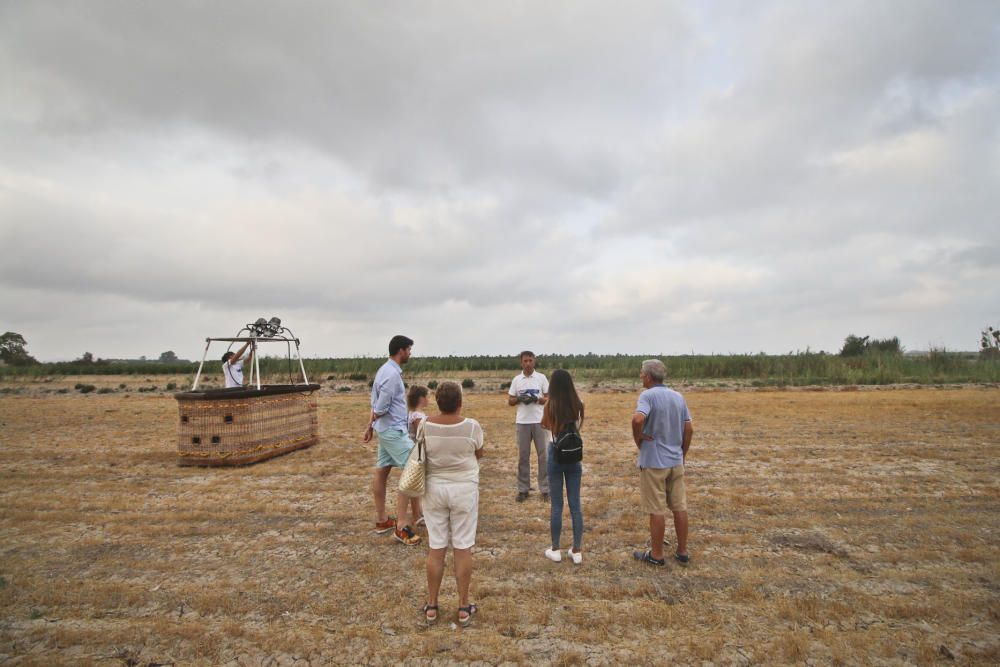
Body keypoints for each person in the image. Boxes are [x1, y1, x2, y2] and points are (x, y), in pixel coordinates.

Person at [420, 381, 485, 627]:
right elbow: (478, 453)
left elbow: (420, 454)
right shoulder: (472, 426)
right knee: (462, 546)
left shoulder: (425, 425)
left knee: (437, 546)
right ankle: (463, 606)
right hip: (464, 489)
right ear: (460, 402)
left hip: (434, 489)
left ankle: (432, 605)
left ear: (437, 401)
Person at [631, 359, 693, 566]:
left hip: (654, 462)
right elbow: (689, 429)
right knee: (679, 507)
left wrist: (638, 439)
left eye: (642, 373)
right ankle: (682, 551)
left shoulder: (647, 396)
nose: (641, 376)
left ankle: (656, 555)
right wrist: (682, 454)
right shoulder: (678, 396)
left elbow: (637, 420)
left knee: (656, 509)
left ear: (648, 376)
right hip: (675, 460)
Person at [363, 335, 421, 546]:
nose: (410, 354)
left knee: (382, 471)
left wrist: (370, 426)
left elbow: (375, 404)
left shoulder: (383, 371)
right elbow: (381, 407)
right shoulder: (391, 375)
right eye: (409, 350)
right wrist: (371, 424)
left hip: (385, 430)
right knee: (413, 470)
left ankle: (382, 521)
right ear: (401, 350)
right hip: (393, 432)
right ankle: (401, 527)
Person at [541, 369, 585, 564]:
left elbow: (545, 425)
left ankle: (555, 548)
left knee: (557, 505)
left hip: (556, 454)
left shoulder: (550, 405)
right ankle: (576, 550)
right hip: (574, 455)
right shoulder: (578, 404)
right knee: (575, 504)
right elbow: (579, 426)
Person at [507, 351, 549, 502]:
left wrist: (536, 399)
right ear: (521, 362)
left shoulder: (541, 378)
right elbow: (510, 400)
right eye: (525, 361)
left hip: (540, 421)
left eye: (530, 360)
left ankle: (545, 489)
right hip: (522, 422)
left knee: (544, 456)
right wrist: (519, 398)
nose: (528, 363)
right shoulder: (517, 380)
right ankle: (523, 489)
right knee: (523, 457)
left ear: (534, 361)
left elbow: (548, 398)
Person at [405, 385, 430, 527]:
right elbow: (421, 435)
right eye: (427, 396)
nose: (429, 399)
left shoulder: (414, 413)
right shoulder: (417, 416)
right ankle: (416, 515)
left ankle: (419, 512)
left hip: (416, 452)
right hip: (416, 453)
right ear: (421, 398)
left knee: (417, 484)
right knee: (415, 484)